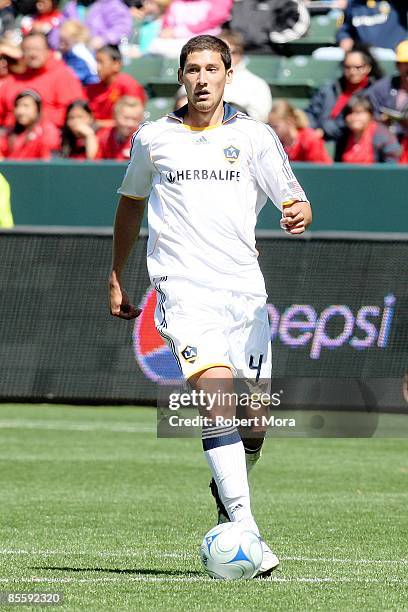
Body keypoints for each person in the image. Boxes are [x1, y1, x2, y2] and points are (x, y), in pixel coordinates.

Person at [109, 34, 312, 577]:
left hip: (244, 294)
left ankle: (228, 489)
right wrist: (116, 274)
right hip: (182, 289)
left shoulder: (254, 137)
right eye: (192, 69)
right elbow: (130, 203)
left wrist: (297, 212)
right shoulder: (153, 139)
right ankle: (246, 529)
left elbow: (294, 196)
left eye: (211, 69)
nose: (202, 79)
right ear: (181, 75)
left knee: (256, 422)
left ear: (227, 76)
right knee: (215, 398)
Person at [0, 31, 84, 128]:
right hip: (10, 137)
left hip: (51, 137)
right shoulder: (13, 81)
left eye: (37, 49)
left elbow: (76, 114)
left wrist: (35, 116)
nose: (32, 54)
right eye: (27, 50)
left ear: (48, 51)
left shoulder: (63, 75)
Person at [305, 45, 382, 142]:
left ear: (368, 68)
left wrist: (324, 130)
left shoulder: (374, 92)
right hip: (316, 138)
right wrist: (311, 129)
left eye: (358, 67)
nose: (352, 72)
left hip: (348, 142)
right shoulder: (330, 88)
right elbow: (311, 111)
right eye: (348, 67)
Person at [86, 43, 146, 127]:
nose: (98, 67)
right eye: (97, 62)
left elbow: (133, 120)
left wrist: (99, 124)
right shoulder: (92, 89)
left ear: (116, 64)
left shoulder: (128, 85)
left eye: (101, 62)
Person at [219, 30, 272, 123]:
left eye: (228, 52)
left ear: (239, 53)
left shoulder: (257, 84)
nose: (223, 57)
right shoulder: (201, 79)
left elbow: (260, 120)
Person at [334, 95, 401, 163]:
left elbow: (391, 167)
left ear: (370, 115)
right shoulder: (343, 136)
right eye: (350, 113)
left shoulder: (383, 136)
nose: (354, 117)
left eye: (359, 113)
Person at [336, 0, 408, 60]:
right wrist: (344, 38)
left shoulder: (396, 4)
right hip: (365, 60)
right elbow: (345, 29)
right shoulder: (354, 4)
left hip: (396, 57)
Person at [0, 89, 60, 159]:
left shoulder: (47, 131)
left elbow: (47, 162)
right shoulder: (9, 133)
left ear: (38, 109)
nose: (20, 111)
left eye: (26, 106)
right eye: (17, 106)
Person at [368, 40, 408, 142]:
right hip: (386, 143)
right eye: (406, 63)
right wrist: (380, 120)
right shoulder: (382, 88)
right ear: (397, 65)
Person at [97, 95, 143, 159]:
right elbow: (95, 164)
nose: (130, 124)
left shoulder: (142, 140)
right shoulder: (104, 136)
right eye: (126, 118)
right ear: (115, 116)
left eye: (135, 119)